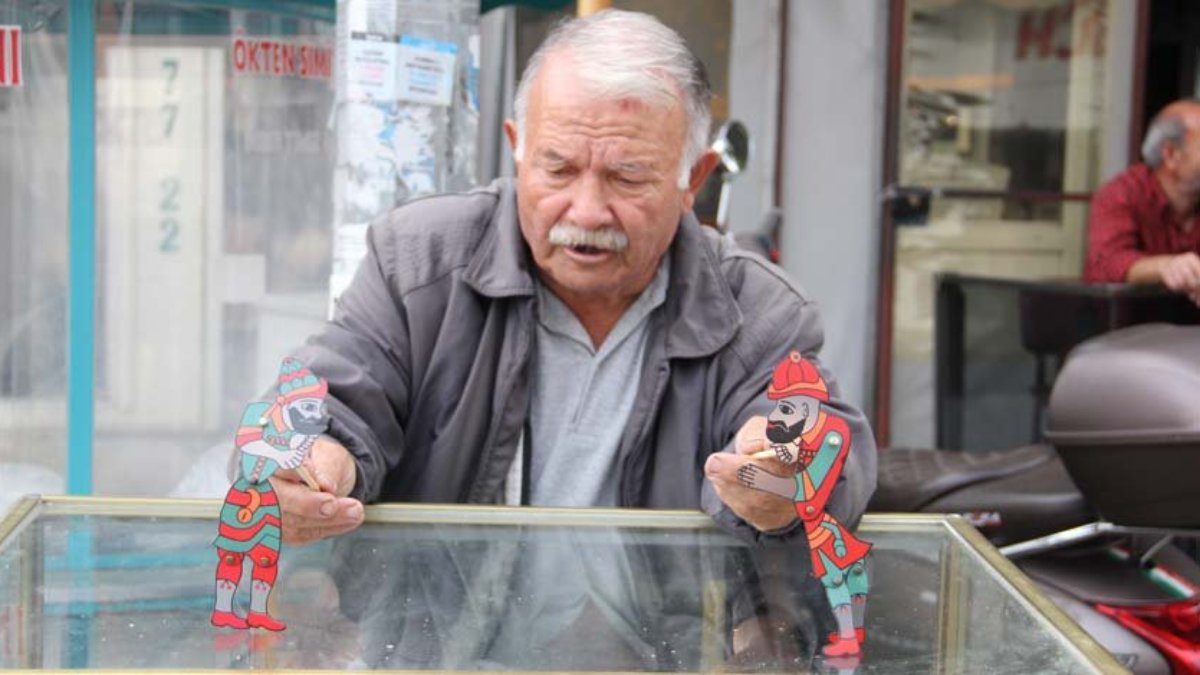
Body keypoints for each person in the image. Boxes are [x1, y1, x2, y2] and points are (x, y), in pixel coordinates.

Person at [268, 10, 876, 555]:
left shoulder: (760, 312)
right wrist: (313, 460)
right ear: (517, 150)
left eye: (628, 177)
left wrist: (783, 470)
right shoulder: (419, 262)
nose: (586, 211)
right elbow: (334, 395)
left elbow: (822, 443)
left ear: (694, 180)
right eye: (557, 168)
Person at [1085, 99, 1200, 304]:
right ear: (1171, 154)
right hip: (1127, 328)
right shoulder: (1122, 193)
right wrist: (1166, 266)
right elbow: (1108, 262)